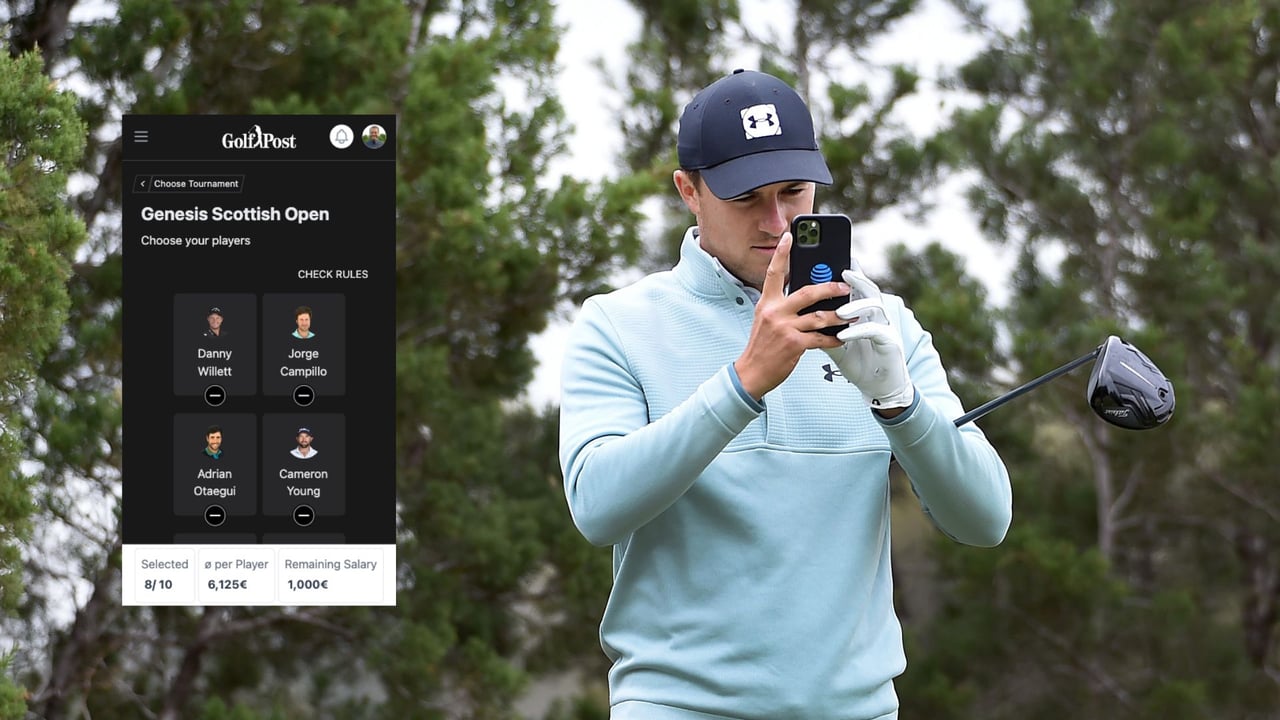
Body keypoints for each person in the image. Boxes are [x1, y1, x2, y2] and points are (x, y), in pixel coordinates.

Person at [558, 69, 1013, 720]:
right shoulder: (617, 324)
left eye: (794, 192)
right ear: (689, 190)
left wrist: (899, 404)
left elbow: (985, 520)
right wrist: (744, 381)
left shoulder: (885, 325)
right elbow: (597, 507)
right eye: (746, 197)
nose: (776, 222)